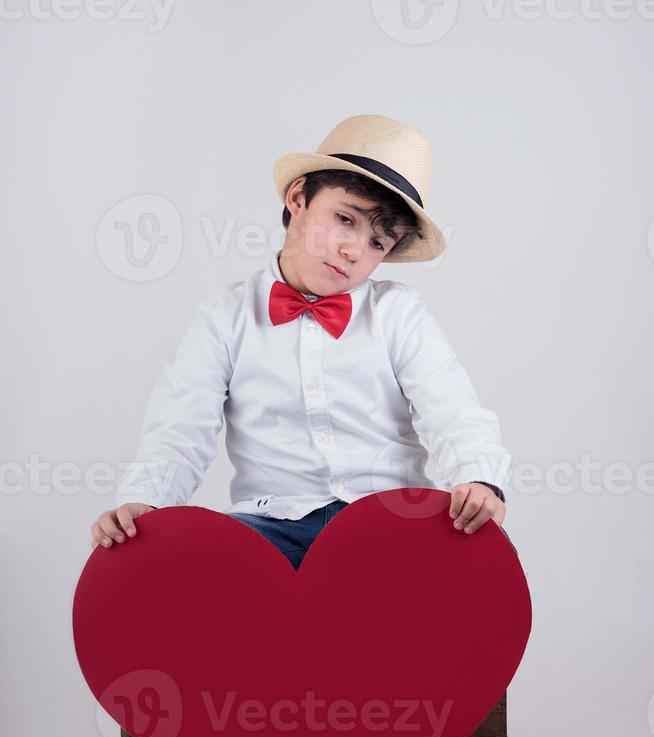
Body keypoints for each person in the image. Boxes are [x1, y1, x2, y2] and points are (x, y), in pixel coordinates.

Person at [91, 113, 516, 568]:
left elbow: (451, 408)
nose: (354, 249)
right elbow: (179, 430)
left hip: (386, 519)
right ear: (298, 197)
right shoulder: (224, 317)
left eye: (378, 242)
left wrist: (479, 478)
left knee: (456, 563)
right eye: (344, 219)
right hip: (270, 523)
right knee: (203, 564)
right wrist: (146, 502)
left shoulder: (399, 313)